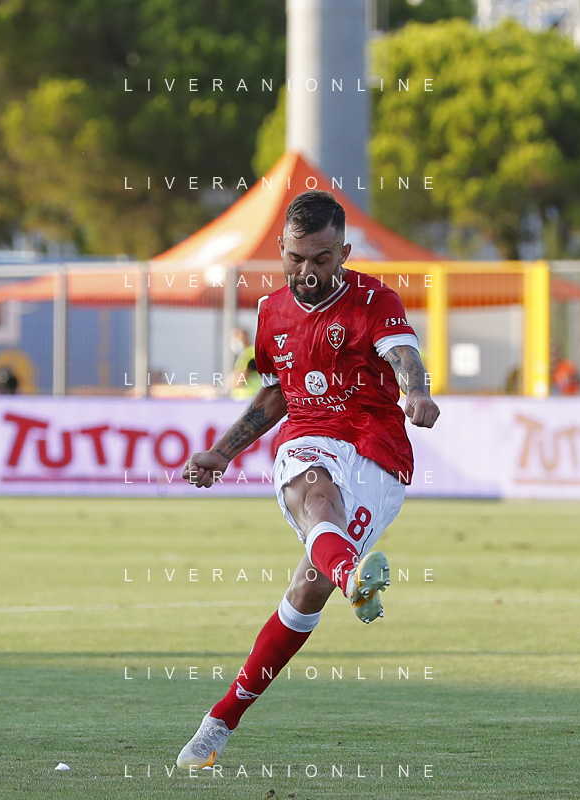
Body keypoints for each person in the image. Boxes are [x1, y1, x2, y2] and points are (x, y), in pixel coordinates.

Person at [175, 190, 440, 768]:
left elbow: (404, 357)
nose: (307, 272)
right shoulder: (270, 312)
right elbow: (275, 393)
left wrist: (417, 391)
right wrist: (222, 452)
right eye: (295, 259)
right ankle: (353, 577)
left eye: (321, 259)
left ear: (343, 252)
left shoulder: (375, 300)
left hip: (376, 452)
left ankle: (222, 718)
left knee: (306, 591)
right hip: (308, 435)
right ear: (281, 248)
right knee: (316, 497)